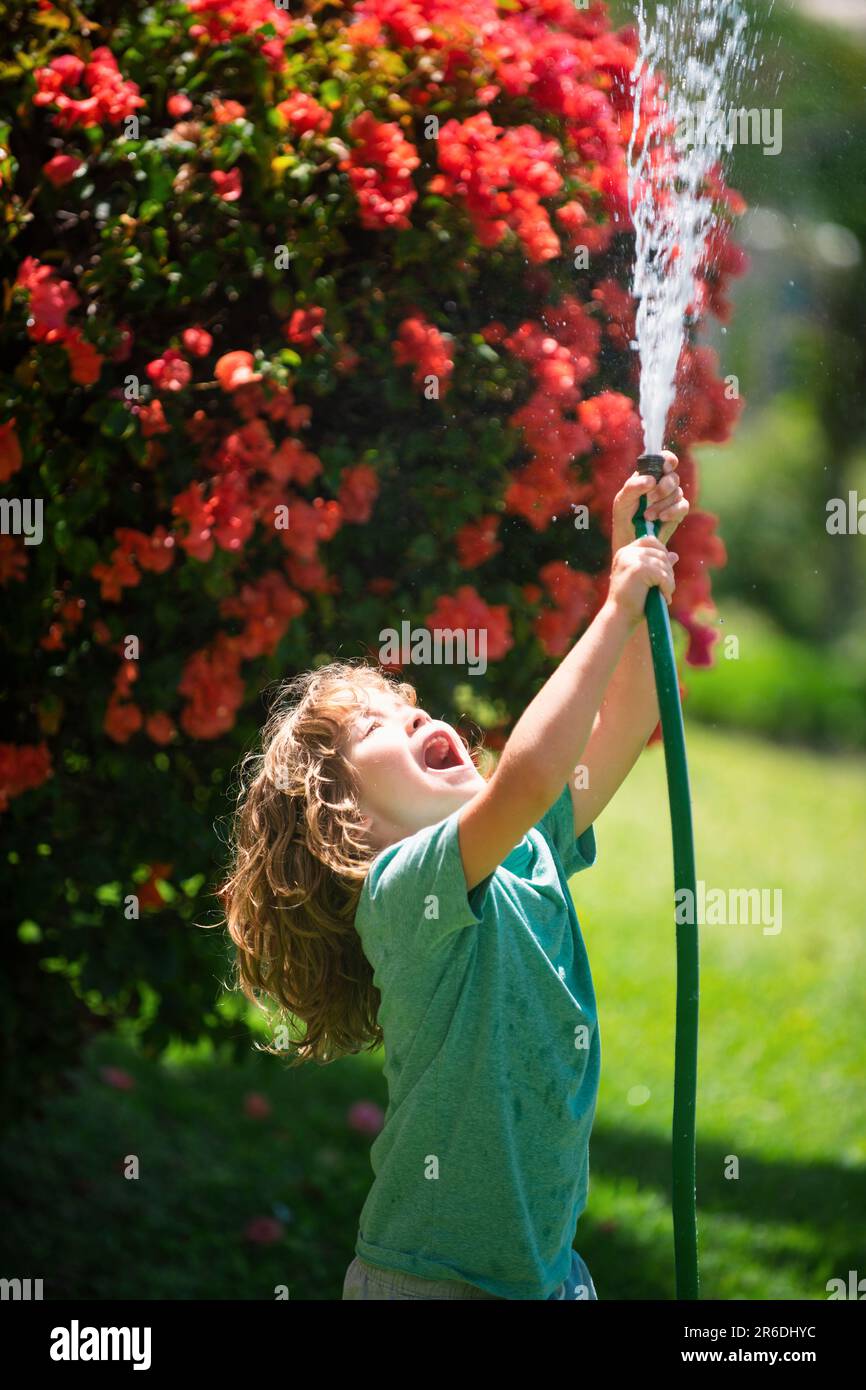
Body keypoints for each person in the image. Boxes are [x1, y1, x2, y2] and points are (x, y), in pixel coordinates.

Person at [220, 454, 687, 1300]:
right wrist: (614, 604)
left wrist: (639, 576)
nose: (420, 713)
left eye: (412, 706)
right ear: (348, 822)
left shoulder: (527, 852)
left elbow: (621, 726)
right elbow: (531, 776)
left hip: (540, 1275)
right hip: (429, 1279)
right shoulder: (400, 893)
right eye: (378, 726)